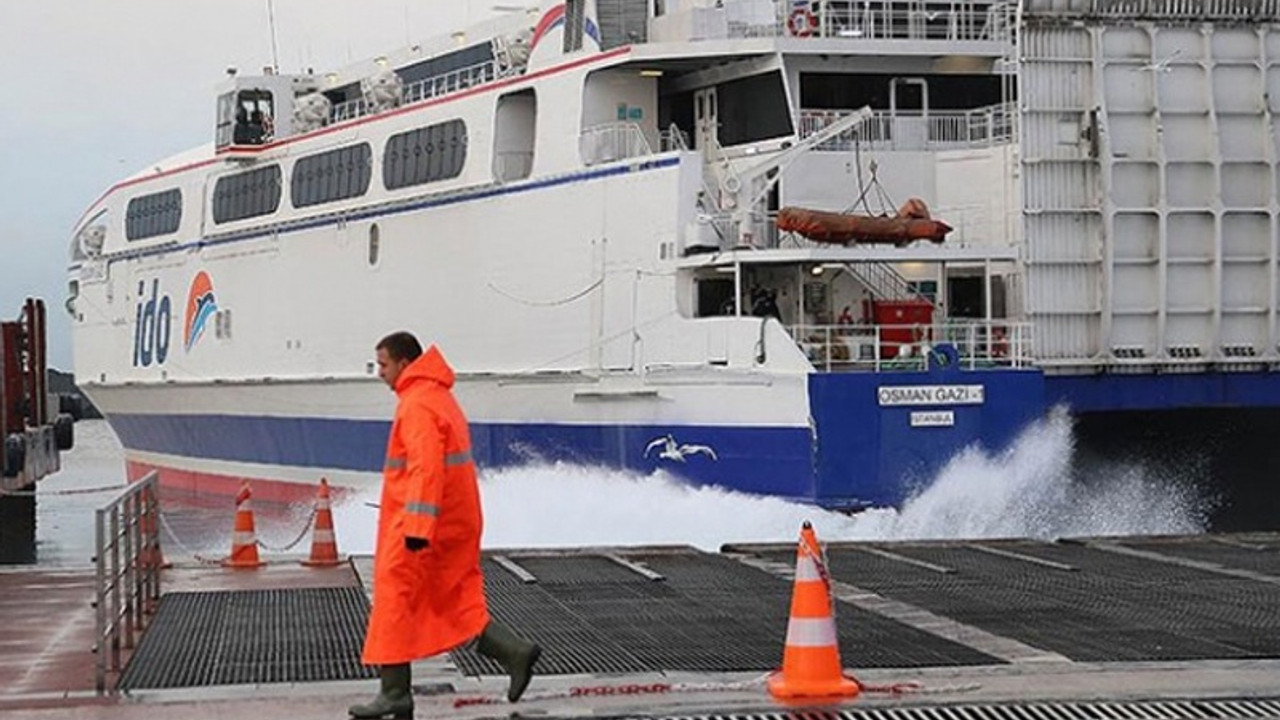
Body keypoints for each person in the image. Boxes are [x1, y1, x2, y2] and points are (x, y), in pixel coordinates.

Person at [350, 332, 541, 719]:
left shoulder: (417, 405)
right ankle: (515, 652)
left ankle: (395, 694)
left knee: (394, 596)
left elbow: (425, 468)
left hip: (422, 524)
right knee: (450, 600)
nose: (379, 373)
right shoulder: (438, 397)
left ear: (404, 363)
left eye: (383, 365)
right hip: (453, 520)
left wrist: (418, 529)